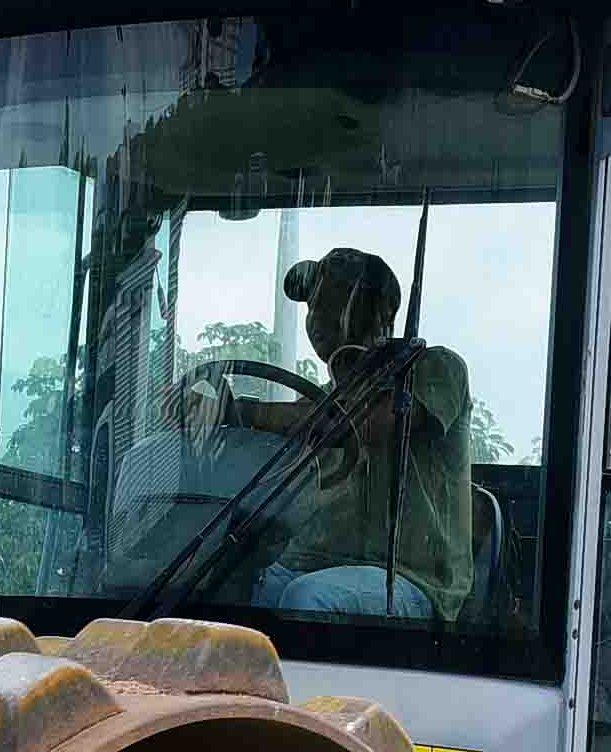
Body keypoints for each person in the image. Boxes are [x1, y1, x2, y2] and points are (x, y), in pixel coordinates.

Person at [180, 246, 476, 621]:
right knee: (213, 582)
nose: (319, 315)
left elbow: (364, 425)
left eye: (337, 299)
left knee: (308, 599)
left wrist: (238, 411)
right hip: (313, 563)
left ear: (381, 311)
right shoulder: (320, 402)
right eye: (314, 304)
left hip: (409, 579)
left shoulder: (437, 369)